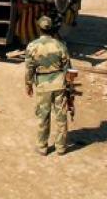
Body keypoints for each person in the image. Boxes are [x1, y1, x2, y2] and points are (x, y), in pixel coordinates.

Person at [25, 15, 71, 155]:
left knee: (43, 116)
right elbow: (67, 67)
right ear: (51, 29)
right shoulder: (60, 45)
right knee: (61, 116)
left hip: (43, 86)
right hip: (59, 84)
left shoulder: (32, 46)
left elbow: (29, 69)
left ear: (39, 28)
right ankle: (61, 147)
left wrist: (28, 85)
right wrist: (68, 86)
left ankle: (42, 147)